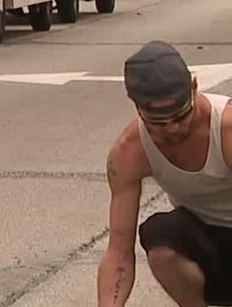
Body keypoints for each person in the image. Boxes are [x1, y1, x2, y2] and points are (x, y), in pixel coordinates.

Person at [97, 40, 232, 307]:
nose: (171, 130)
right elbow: (118, 253)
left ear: (194, 88)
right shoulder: (129, 152)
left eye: (181, 116)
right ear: (134, 103)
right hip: (210, 251)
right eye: (158, 122)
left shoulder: (226, 130)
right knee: (160, 234)